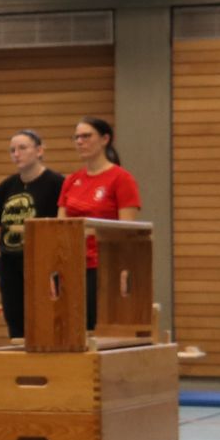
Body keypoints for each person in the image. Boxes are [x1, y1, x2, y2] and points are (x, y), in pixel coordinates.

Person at [0, 129, 62, 341]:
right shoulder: (8, 185)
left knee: (47, 325)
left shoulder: (56, 183)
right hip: (9, 264)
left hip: (41, 264)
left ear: (39, 151)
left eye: (22, 148)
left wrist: (54, 268)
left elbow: (63, 227)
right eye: (12, 150)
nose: (16, 154)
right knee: (16, 326)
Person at [60, 116, 141, 332]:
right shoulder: (71, 181)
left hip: (104, 266)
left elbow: (127, 231)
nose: (80, 141)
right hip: (73, 266)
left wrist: (124, 270)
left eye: (86, 136)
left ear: (105, 139)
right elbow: (59, 229)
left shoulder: (121, 179)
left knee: (99, 330)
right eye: (76, 137)